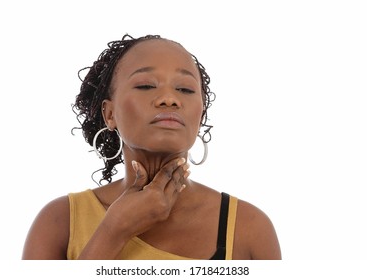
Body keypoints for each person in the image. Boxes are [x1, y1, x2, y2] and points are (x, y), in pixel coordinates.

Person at [22, 34, 281, 260]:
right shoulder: (60, 222)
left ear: (201, 115)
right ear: (109, 113)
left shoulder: (249, 228)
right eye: (146, 85)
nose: (169, 99)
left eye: (185, 89)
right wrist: (115, 229)